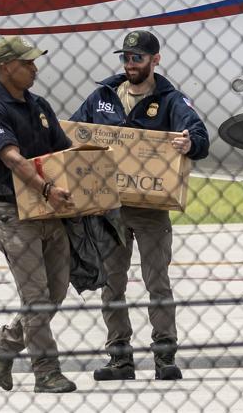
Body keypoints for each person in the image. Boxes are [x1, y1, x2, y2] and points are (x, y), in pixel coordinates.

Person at [71, 29, 211, 382]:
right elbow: (71, 131)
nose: (130, 64)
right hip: (111, 207)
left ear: (155, 60)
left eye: (138, 58)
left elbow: (200, 137)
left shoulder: (171, 100)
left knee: (157, 282)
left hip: (151, 207)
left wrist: (187, 142)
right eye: (126, 58)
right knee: (112, 284)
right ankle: (120, 358)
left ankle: (165, 355)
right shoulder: (103, 97)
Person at [0, 36, 80, 394]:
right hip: (14, 214)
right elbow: (12, 158)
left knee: (56, 291)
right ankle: (46, 371)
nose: (35, 68)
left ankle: (3, 343)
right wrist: (48, 189)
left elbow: (63, 153)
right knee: (35, 297)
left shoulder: (39, 105)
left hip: (49, 211)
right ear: (6, 68)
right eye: (27, 63)